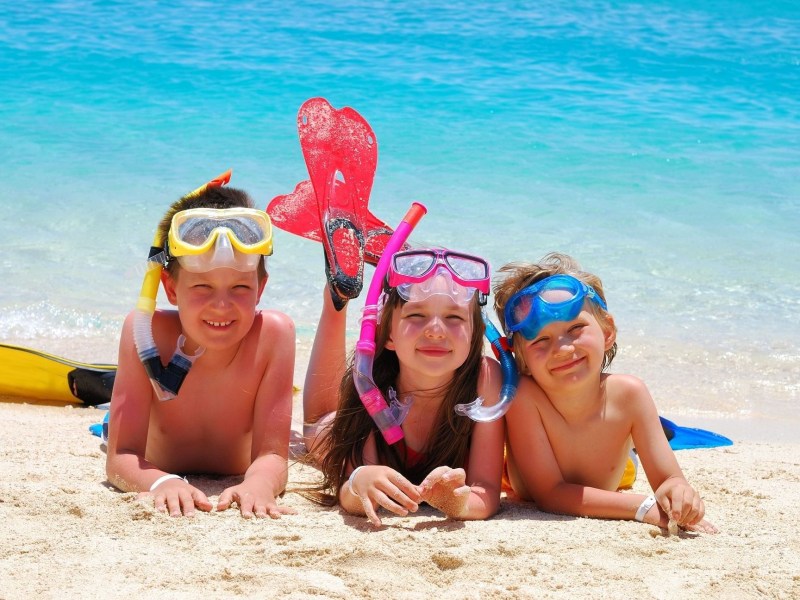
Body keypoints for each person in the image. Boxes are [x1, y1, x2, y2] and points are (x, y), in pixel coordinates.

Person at [106, 178, 296, 519]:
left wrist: (260, 484)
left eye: (239, 286)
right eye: (202, 286)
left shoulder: (273, 337)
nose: (221, 305)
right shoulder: (145, 332)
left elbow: (274, 457)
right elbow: (121, 456)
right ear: (171, 288)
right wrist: (160, 483)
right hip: (158, 459)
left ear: (260, 287)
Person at [493, 252, 717, 533]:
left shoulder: (629, 394)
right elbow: (550, 494)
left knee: (630, 467)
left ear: (607, 330)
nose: (562, 349)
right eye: (541, 340)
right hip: (533, 474)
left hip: (620, 470)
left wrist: (680, 493)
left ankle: (640, 443)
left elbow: (669, 479)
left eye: (575, 328)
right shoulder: (525, 397)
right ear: (519, 357)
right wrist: (643, 507)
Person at [303, 247, 505, 526]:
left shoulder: (485, 379)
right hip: (332, 430)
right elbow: (349, 493)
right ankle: (336, 300)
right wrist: (361, 479)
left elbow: (487, 491)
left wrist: (458, 503)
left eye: (454, 318)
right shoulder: (369, 382)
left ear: (473, 336)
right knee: (318, 428)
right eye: (416, 316)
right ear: (388, 335)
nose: (435, 330)